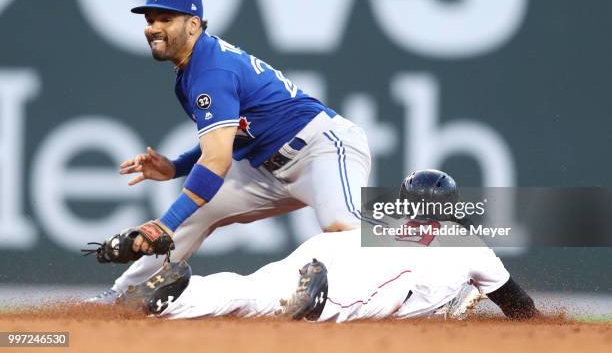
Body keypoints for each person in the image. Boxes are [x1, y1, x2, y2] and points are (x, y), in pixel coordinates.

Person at [88, 0, 371, 303]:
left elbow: (217, 161)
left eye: (166, 19)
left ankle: (432, 232)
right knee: (193, 213)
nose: (154, 28)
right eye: (150, 20)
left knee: (345, 228)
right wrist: (176, 166)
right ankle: (121, 294)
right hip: (266, 170)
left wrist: (163, 224)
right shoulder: (189, 70)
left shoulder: (211, 72)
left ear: (193, 25)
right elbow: (226, 139)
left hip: (321, 149)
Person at [117, 170, 539, 321]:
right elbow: (520, 308)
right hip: (378, 274)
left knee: (256, 286)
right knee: (285, 302)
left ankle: (173, 296)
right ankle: (316, 302)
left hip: (338, 245)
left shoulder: (381, 218)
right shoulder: (464, 243)